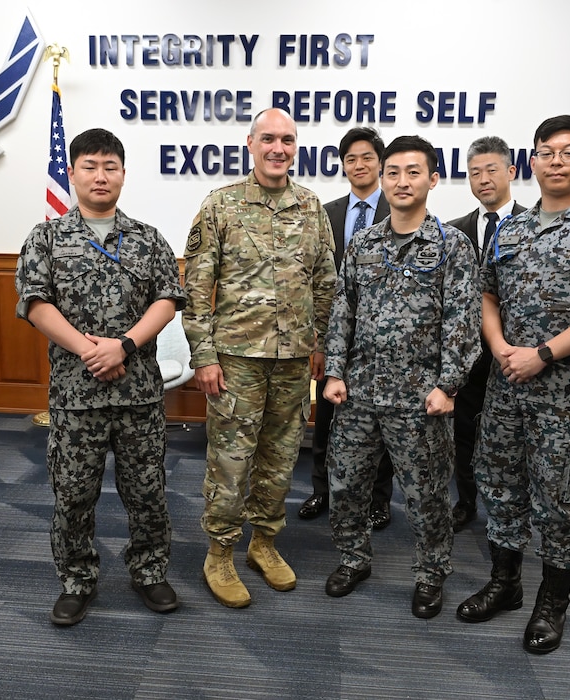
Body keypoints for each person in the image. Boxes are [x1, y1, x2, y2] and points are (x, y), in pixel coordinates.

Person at [456, 115, 570, 654]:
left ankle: (551, 604)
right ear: (532, 161)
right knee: (501, 489)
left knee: (559, 502)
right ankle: (506, 584)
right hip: (506, 388)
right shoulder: (510, 229)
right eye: (546, 152)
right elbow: (487, 295)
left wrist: (542, 354)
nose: (556, 161)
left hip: (566, 396)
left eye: (568, 152)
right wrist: (499, 349)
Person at [15, 128, 184, 625]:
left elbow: (168, 300)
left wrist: (124, 345)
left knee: (148, 491)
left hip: (138, 396)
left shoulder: (148, 238)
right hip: (75, 395)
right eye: (89, 166)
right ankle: (76, 579)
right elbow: (35, 304)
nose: (100, 175)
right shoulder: (46, 237)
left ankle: (149, 572)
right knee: (72, 494)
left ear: (124, 174)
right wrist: (91, 350)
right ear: (72, 173)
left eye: (110, 166)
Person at [183, 108, 337, 608]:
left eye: (288, 140)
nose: (278, 148)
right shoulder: (221, 206)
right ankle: (220, 552)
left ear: (297, 147)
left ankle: (264, 544)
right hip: (236, 361)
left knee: (280, 458)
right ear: (250, 144)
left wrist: (320, 346)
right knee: (230, 460)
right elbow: (196, 288)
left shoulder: (311, 207)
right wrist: (204, 355)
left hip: (293, 360)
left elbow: (325, 285)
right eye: (268, 138)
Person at [323, 135, 481, 619]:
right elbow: (342, 308)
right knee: (346, 485)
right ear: (381, 178)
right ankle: (354, 558)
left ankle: (431, 573)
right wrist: (333, 370)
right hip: (359, 392)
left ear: (432, 179)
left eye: (413, 172)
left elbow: (463, 319)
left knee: (426, 493)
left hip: (421, 398)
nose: (401, 181)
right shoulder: (364, 243)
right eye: (393, 172)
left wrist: (448, 384)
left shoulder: (451, 246)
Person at [299, 126, 395, 531]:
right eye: (351, 159)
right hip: (334, 334)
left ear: (381, 163)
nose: (359, 165)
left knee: (383, 421)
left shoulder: (402, 208)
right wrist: (319, 340)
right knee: (327, 416)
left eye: (367, 157)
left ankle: (378, 499)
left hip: (384, 337)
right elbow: (316, 278)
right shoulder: (327, 212)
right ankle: (321, 487)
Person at [447, 136, 526, 532]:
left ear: (511, 172)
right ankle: (465, 500)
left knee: (512, 434)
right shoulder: (453, 231)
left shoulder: (535, 226)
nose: (483, 179)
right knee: (463, 429)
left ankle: (511, 506)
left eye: (491, 170)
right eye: (475, 172)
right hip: (467, 352)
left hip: (519, 354)